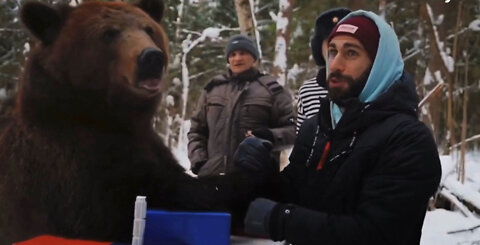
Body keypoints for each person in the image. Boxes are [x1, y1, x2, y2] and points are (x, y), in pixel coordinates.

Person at [239, 10, 442, 245]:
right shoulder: (317, 127)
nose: (335, 64)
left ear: (379, 64)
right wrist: (261, 172)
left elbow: (377, 234)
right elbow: (293, 194)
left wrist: (284, 221)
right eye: (332, 51)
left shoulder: (408, 140)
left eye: (351, 53)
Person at [187, 34, 296, 177]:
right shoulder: (213, 89)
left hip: (257, 182)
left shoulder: (272, 90)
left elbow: (293, 130)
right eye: (232, 54)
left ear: (254, 58)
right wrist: (199, 161)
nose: (237, 58)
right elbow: (197, 130)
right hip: (213, 180)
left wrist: (269, 136)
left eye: (243, 53)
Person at [296, 8, 351, 133]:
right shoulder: (308, 91)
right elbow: (301, 140)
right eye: (331, 46)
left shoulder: (367, 86)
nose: (338, 54)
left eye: (348, 47)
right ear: (319, 48)